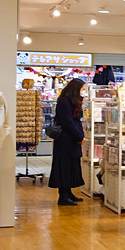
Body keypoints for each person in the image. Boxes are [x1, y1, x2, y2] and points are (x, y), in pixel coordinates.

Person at [49, 78, 86, 206]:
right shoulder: (65, 102)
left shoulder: (72, 102)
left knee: (71, 166)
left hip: (71, 141)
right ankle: (63, 195)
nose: (83, 92)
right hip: (65, 141)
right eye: (82, 89)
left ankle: (68, 192)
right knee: (64, 167)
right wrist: (79, 136)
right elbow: (68, 122)